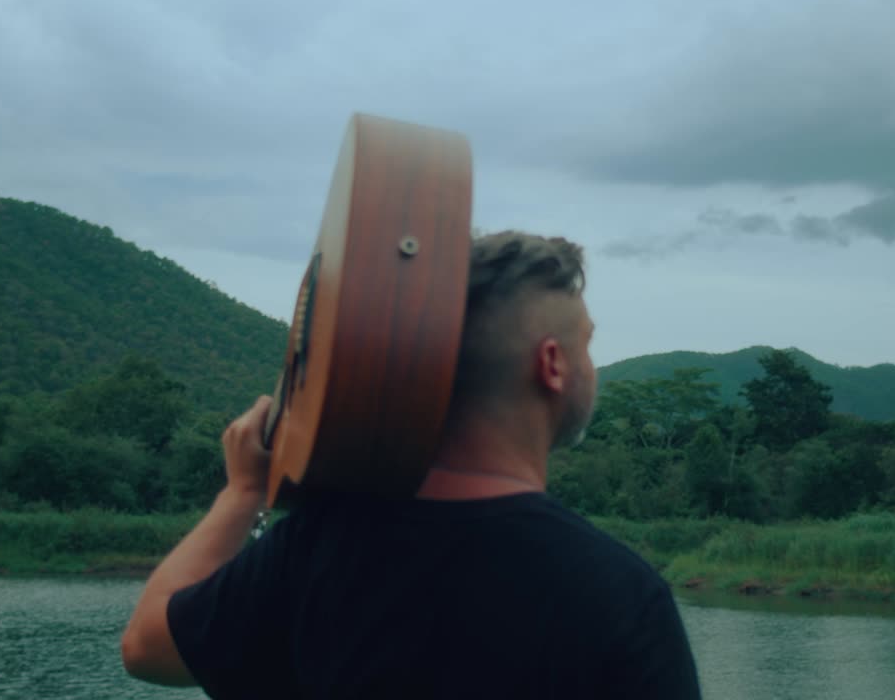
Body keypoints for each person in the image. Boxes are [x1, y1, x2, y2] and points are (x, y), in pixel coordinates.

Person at [121, 231, 703, 698]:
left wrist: (241, 491)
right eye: (587, 344)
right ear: (552, 365)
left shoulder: (314, 551)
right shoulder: (621, 594)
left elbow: (147, 648)